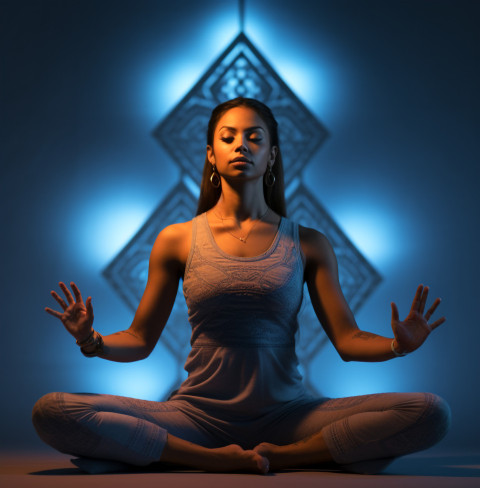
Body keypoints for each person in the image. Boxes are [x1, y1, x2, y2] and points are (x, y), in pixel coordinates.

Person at [33, 97, 450, 475]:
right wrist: (92, 341)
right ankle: (213, 460)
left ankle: (284, 455)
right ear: (211, 155)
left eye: (255, 137)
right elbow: (140, 339)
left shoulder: (309, 243)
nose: (241, 145)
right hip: (195, 417)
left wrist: (400, 346)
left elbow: (348, 340)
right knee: (52, 411)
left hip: (290, 417)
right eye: (228, 137)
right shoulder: (177, 239)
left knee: (431, 412)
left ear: (271, 156)